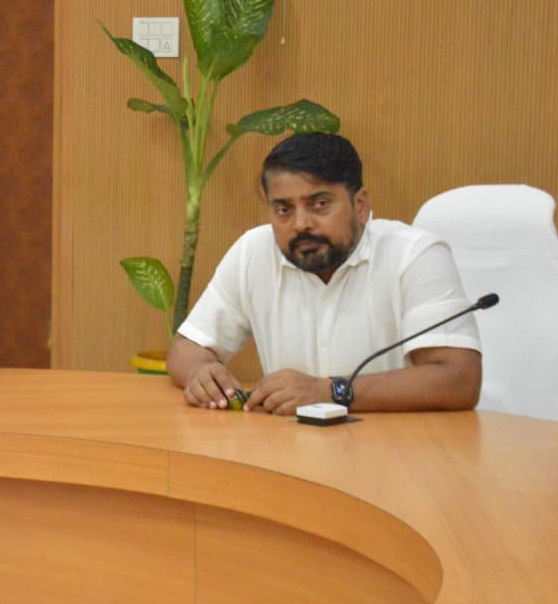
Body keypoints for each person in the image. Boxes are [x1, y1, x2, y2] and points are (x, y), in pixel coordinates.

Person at [166, 132, 481, 414]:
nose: (301, 224)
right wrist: (201, 373)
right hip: (286, 447)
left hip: (399, 447)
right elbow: (186, 348)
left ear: (360, 205)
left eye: (319, 204)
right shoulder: (254, 251)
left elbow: (459, 380)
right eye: (284, 209)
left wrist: (330, 391)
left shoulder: (414, 255)